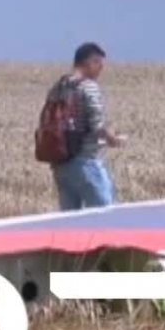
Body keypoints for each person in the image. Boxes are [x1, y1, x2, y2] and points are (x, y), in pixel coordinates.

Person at [46, 42, 124, 209]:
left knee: (70, 221)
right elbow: (98, 126)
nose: (101, 69)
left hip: (60, 165)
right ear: (89, 62)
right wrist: (113, 139)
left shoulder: (58, 86)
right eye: (99, 64)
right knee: (105, 216)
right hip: (86, 163)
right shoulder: (89, 86)